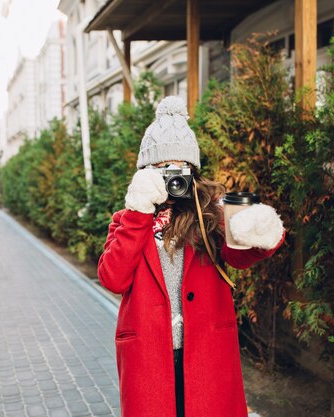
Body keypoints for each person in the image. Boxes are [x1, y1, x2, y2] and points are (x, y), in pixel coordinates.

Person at [97, 96, 285, 417]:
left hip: (206, 354)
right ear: (146, 172)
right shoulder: (128, 218)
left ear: (194, 172)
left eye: (181, 168)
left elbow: (240, 254)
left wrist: (259, 230)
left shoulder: (210, 215)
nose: (174, 178)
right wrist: (139, 211)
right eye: (163, 169)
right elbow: (112, 278)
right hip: (150, 357)